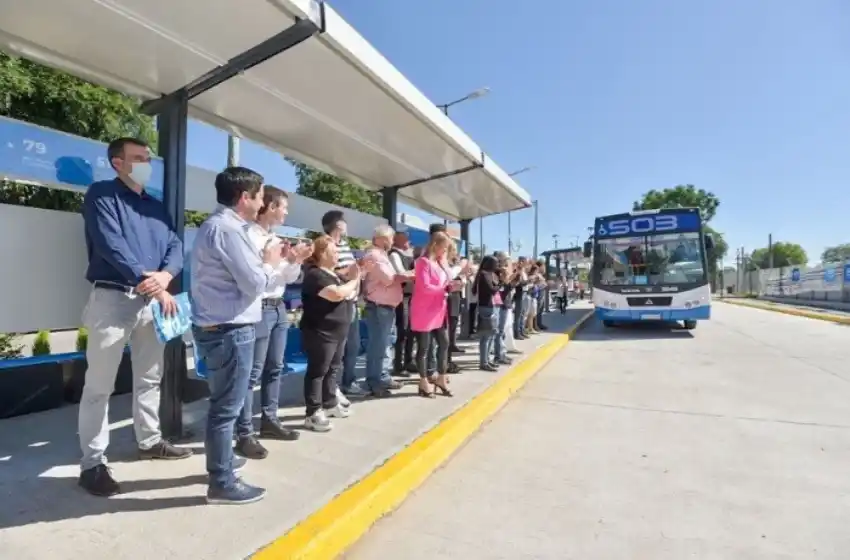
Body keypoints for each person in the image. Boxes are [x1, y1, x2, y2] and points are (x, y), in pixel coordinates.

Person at [78, 137, 191, 498]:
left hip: (152, 304)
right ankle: (92, 463)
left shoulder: (155, 207)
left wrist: (167, 276)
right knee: (99, 386)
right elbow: (112, 246)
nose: (146, 163)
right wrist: (155, 286)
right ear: (117, 163)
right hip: (114, 298)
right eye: (138, 158)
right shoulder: (101, 195)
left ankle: (150, 440)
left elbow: (175, 245)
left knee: (150, 377)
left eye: (148, 158)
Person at [191, 166, 294, 504]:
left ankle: (222, 462)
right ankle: (221, 483)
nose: (264, 202)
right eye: (261, 196)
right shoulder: (229, 231)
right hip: (231, 329)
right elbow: (256, 282)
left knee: (225, 404)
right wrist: (270, 262)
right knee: (226, 408)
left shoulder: (222, 227)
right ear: (244, 197)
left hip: (223, 327)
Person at [234, 186, 310, 460]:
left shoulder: (275, 238)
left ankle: (269, 419)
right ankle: (244, 432)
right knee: (251, 373)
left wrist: (295, 261)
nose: (286, 212)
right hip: (258, 308)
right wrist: (277, 263)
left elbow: (287, 278)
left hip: (278, 308)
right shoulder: (247, 237)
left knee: (275, 367)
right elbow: (254, 276)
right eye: (283, 206)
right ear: (269, 206)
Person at [299, 236, 362, 432]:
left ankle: (330, 402)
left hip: (337, 331)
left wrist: (351, 282)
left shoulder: (334, 274)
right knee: (318, 371)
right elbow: (337, 294)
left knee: (333, 368)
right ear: (322, 253)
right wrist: (355, 279)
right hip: (320, 331)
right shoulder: (315, 275)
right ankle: (313, 411)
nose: (337, 255)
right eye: (334, 251)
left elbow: (350, 293)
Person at [410, 232, 458, 398]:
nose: (445, 251)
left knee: (444, 343)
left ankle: (441, 378)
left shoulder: (440, 263)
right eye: (444, 248)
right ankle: (423, 381)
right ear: (435, 245)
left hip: (439, 309)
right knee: (424, 347)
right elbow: (424, 286)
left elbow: (444, 283)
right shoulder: (423, 262)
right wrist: (444, 289)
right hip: (424, 309)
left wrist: (452, 285)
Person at [320, 211, 361, 402]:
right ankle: (331, 389)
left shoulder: (344, 244)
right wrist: (356, 271)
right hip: (337, 304)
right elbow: (332, 274)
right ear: (338, 224)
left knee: (350, 347)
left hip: (351, 301)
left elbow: (352, 271)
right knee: (336, 350)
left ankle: (345, 383)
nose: (347, 224)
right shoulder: (326, 244)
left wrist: (357, 274)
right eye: (344, 221)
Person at [361, 224, 405, 397]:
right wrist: (406, 276)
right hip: (379, 306)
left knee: (385, 343)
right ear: (381, 238)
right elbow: (388, 279)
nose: (392, 241)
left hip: (385, 306)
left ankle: (382, 377)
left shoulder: (382, 255)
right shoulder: (374, 255)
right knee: (378, 345)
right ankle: (373, 382)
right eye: (390, 238)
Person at [388, 229, 416, 376]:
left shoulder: (408, 254)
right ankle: (398, 365)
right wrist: (416, 273)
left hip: (411, 296)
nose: (407, 242)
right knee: (403, 331)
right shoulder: (394, 254)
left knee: (410, 330)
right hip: (402, 296)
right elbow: (401, 273)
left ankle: (408, 361)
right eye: (404, 239)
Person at [473, 256, 502, 371]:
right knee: (486, 336)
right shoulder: (484, 275)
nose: (497, 265)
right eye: (496, 263)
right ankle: (483, 362)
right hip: (486, 307)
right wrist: (500, 284)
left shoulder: (487, 274)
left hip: (490, 306)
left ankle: (487, 360)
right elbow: (492, 290)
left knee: (491, 335)